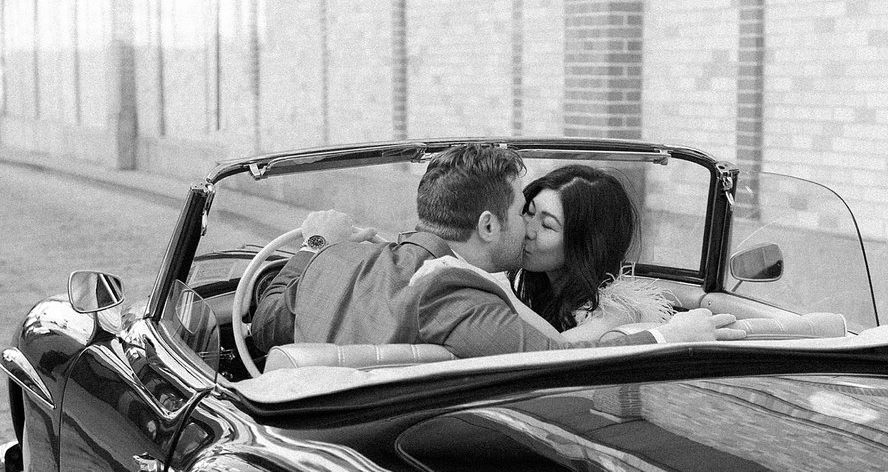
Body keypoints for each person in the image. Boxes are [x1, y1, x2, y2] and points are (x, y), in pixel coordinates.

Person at [251, 143, 742, 359]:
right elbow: (559, 363)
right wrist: (666, 338)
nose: (527, 226)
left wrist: (314, 248)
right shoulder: (452, 293)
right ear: (487, 225)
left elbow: (263, 326)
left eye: (542, 220)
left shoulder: (335, 257)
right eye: (523, 209)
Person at [513, 164, 677, 341]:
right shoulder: (537, 290)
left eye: (547, 225)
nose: (527, 230)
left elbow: (554, 353)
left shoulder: (618, 309)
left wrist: (496, 290)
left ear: (585, 243)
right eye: (529, 212)